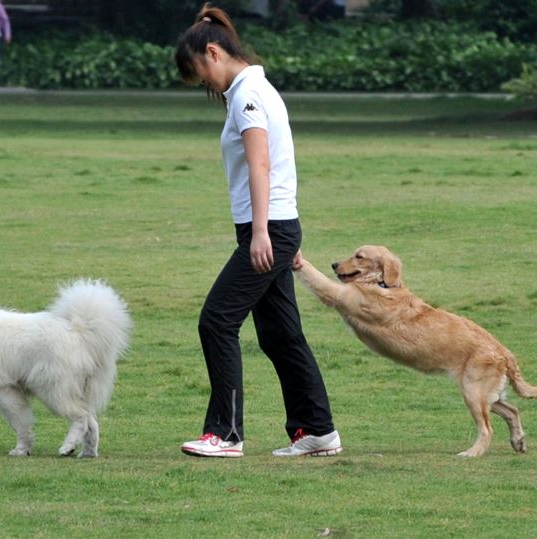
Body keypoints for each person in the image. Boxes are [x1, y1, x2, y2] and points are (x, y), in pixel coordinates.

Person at [175, 3, 342, 458]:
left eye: (199, 73)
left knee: (217, 320)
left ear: (213, 52)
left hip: (266, 228)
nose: (204, 84)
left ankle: (226, 434)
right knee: (280, 334)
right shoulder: (254, 90)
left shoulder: (248, 95)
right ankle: (317, 430)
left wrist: (263, 233)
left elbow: (260, 163)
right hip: (276, 225)